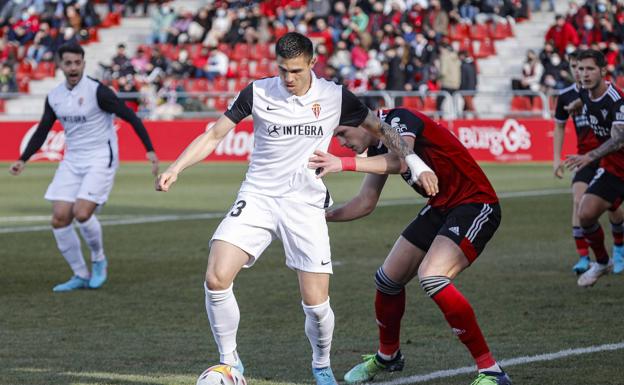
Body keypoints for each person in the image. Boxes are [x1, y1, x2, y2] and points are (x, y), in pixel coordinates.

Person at [155, 32, 437, 385]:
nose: (288, 78)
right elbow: (214, 134)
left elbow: (381, 130)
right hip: (258, 195)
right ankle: (230, 363)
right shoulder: (258, 92)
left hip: (304, 203)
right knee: (216, 277)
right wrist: (175, 168)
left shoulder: (335, 97)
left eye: (296, 71)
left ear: (312, 63)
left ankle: (321, 365)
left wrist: (416, 163)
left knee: (316, 303)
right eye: (283, 70)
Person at [308, 107, 511, 385]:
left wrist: (342, 163)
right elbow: (365, 202)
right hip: (441, 207)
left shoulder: (398, 119)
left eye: (342, 133)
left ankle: (492, 370)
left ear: (362, 123)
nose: (341, 143)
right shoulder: (376, 147)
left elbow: (403, 159)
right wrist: (321, 217)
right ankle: (388, 356)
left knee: (432, 276)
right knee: (387, 279)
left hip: (475, 204)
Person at [8, 43, 159, 292]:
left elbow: (130, 116)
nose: (73, 67)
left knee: (81, 212)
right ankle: (80, 274)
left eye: (77, 62)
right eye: (68, 63)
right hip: (72, 159)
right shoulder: (55, 96)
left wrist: (150, 150)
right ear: (60, 65)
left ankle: (99, 260)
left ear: (84, 64)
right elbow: (44, 129)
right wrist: (23, 159)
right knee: (58, 219)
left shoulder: (99, 92)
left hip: (101, 157)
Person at [553, 50, 624, 275]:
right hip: (614, 168)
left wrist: (590, 156)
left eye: (590, 69)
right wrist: (575, 106)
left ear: (603, 71)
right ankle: (602, 262)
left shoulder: (617, 100)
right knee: (585, 213)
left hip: (610, 157)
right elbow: (581, 100)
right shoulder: (584, 93)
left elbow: (619, 139)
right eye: (580, 69)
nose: (584, 74)